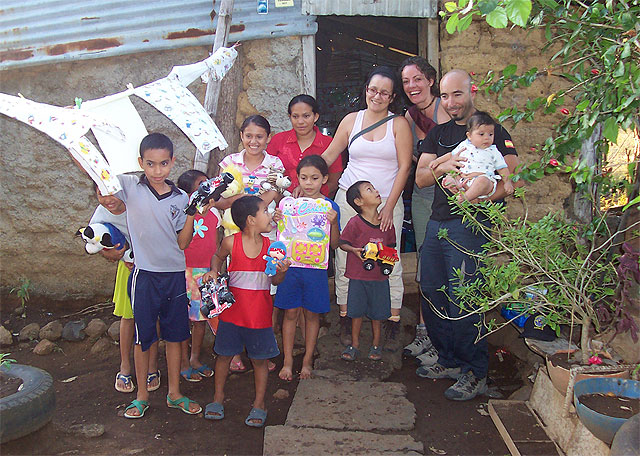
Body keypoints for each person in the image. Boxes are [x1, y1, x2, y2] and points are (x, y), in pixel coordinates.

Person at [415, 69, 521, 401]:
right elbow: (420, 178)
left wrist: (479, 195)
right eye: (444, 96)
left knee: (465, 297)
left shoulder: (492, 130)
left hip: (471, 226)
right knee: (431, 290)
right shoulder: (439, 133)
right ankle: (448, 360)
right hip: (438, 222)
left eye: (456, 94)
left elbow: (509, 177)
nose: (450, 102)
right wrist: (446, 166)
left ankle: (475, 372)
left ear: (470, 92)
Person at [321, 66, 412, 351]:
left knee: (388, 259)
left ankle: (392, 318)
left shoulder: (398, 124)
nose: (377, 96)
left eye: (384, 92)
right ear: (366, 90)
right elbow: (330, 155)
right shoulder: (352, 120)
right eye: (373, 90)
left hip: (386, 200)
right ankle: (348, 318)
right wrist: (304, 177)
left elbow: (405, 166)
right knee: (345, 257)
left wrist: (390, 205)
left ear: (392, 97)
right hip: (350, 198)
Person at [117, 132, 202, 418]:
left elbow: (183, 243)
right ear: (140, 162)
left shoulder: (180, 197)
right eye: (150, 164)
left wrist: (192, 214)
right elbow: (103, 188)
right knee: (144, 338)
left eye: (163, 164)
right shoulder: (129, 186)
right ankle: (141, 396)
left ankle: (174, 393)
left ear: (172, 162)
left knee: (177, 336)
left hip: (175, 275)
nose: (157, 170)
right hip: (145, 276)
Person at [202, 196, 289, 427]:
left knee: (260, 360)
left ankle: (259, 404)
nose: (270, 215)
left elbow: (276, 280)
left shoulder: (272, 248)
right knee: (224, 356)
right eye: (265, 211)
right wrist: (213, 271)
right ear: (251, 220)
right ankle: (218, 398)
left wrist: (282, 271)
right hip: (232, 314)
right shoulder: (231, 242)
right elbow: (217, 257)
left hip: (260, 315)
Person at [218, 114, 282, 373]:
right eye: (248, 136)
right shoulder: (229, 163)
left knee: (267, 291)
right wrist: (243, 203)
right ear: (241, 136)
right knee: (239, 290)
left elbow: (274, 192)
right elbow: (220, 200)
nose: (253, 141)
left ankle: (263, 349)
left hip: (267, 234)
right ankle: (233, 350)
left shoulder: (274, 163)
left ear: (268, 138)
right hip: (236, 235)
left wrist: (251, 208)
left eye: (259, 136)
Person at [399, 57, 451, 362]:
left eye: (417, 79)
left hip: (452, 195)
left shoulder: (446, 110)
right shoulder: (409, 116)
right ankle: (424, 331)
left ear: (430, 80)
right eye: (406, 82)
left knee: (448, 263)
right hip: (423, 194)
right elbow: (410, 158)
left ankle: (445, 333)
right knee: (425, 261)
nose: (412, 86)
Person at [273, 155, 340, 381]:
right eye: (303, 178)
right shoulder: (288, 205)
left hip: (316, 270)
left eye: (314, 178)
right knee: (290, 313)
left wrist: (333, 223)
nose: (309, 183)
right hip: (291, 267)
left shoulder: (329, 207)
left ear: (324, 179)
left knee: (312, 315)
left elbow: (334, 244)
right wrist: (277, 218)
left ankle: (307, 360)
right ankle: (288, 361)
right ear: (297, 178)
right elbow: (280, 237)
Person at [89, 186, 160, 395]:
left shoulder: (139, 205)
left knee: (152, 318)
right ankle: (125, 367)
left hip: (150, 266)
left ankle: (152, 366)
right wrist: (111, 254)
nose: (108, 199)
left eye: (111, 193)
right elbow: (97, 241)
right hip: (127, 268)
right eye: (101, 194)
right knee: (128, 318)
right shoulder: (101, 213)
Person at [338, 181, 396, 362]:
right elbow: (342, 243)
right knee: (355, 313)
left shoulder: (386, 223)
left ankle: (376, 345)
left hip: (379, 278)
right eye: (369, 190)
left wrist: (389, 259)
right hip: (358, 277)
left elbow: (392, 246)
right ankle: (354, 345)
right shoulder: (355, 223)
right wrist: (354, 250)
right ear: (358, 201)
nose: (376, 191)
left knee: (378, 315)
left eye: (374, 187)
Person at [176, 169, 221, 382]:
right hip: (185, 273)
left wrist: (215, 269)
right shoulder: (183, 216)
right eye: (201, 186)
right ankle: (183, 361)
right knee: (183, 320)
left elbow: (215, 243)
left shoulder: (214, 214)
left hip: (205, 274)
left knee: (201, 319)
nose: (208, 188)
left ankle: (194, 358)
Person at [267, 94, 343, 197]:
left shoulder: (329, 144)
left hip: (316, 206)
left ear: (315, 116)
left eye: (306, 116)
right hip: (279, 205)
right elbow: (267, 172)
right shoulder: (278, 140)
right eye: (295, 116)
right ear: (290, 117)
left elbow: (334, 182)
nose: (300, 122)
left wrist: (311, 193)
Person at [430, 111, 514, 202]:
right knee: (450, 177)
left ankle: (465, 198)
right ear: (469, 136)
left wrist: (507, 182)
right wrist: (437, 161)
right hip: (464, 178)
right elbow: (451, 155)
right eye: (481, 134)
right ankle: (459, 190)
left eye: (490, 134)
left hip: (483, 181)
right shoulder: (465, 145)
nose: (487, 138)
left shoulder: (493, 151)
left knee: (482, 181)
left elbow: (502, 168)